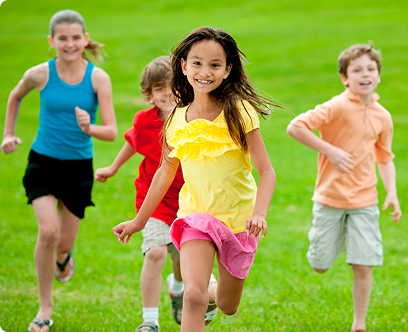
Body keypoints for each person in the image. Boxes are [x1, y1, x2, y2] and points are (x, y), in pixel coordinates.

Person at [112, 26, 279, 332]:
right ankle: (201, 291)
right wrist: (138, 221)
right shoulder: (176, 118)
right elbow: (165, 172)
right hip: (195, 217)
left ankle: (214, 291)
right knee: (193, 297)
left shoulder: (240, 113)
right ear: (184, 66)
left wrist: (259, 213)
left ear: (228, 70)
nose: (205, 71)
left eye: (215, 64)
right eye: (197, 63)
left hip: (238, 220)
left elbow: (267, 171)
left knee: (228, 306)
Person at [1, 9, 117, 332]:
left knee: (63, 243)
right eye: (62, 39)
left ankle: (63, 259)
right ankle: (44, 308)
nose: (70, 44)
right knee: (47, 232)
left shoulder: (98, 78)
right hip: (43, 162)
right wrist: (8, 134)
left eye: (76, 38)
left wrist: (88, 127)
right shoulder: (40, 73)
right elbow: (14, 96)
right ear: (51, 41)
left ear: (85, 39)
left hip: (79, 167)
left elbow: (110, 130)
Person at [287, 43, 402, 332]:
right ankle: (332, 237)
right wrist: (330, 151)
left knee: (363, 266)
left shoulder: (382, 116)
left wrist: (392, 193)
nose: (365, 74)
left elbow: (385, 158)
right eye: (357, 70)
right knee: (321, 265)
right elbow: (295, 127)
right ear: (344, 77)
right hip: (330, 198)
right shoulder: (336, 106)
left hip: (365, 200)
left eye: (371, 69)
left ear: (378, 75)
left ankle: (359, 324)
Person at [94, 56, 187, 331]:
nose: (167, 93)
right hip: (153, 197)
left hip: (188, 199)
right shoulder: (145, 121)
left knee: (181, 257)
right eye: (159, 89)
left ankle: (177, 286)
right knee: (156, 252)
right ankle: (150, 321)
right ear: (149, 94)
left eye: (172, 86)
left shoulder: (193, 118)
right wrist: (112, 168)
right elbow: (132, 142)